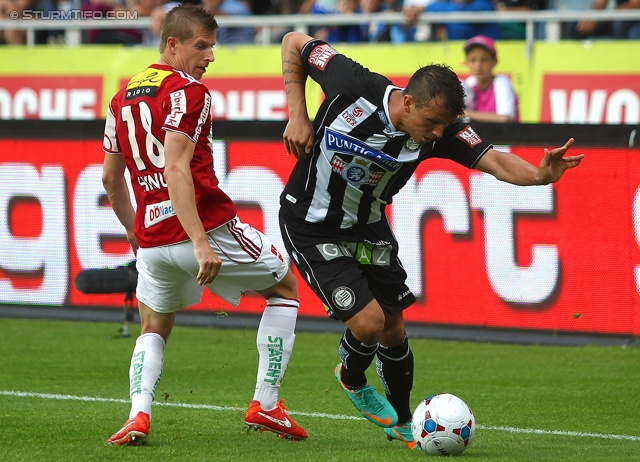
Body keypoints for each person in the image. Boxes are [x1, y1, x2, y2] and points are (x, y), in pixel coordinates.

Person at [279, 31, 583, 449]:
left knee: (395, 327)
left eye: (445, 125)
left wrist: (538, 175)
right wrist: (297, 112)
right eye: (431, 122)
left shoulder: (446, 130)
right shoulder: (352, 81)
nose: (438, 133)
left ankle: (403, 421)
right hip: (309, 222)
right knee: (368, 323)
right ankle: (351, 378)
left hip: (368, 225)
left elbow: (494, 159)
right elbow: (294, 41)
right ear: (408, 102)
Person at [102, 3, 307, 446]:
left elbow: (109, 178)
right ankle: (267, 404)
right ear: (171, 44)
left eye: (212, 46)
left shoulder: (121, 98)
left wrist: (134, 231)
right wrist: (199, 242)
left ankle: (138, 415)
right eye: (201, 45)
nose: (210, 56)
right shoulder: (189, 91)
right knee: (285, 288)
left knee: (154, 325)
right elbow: (177, 168)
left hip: (153, 241)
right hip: (206, 229)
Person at [461, 34, 519, 123]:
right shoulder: (469, 83)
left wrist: (465, 114)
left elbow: (505, 118)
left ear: (494, 61)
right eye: (473, 60)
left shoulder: (502, 81)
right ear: (467, 63)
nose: (478, 65)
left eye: (484, 60)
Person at [574, 0, 640, 40]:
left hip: (635, 17)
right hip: (616, 16)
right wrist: (591, 19)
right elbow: (599, 4)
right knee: (576, 26)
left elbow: (635, 5)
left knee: (620, 26)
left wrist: (609, 16)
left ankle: (622, 57)